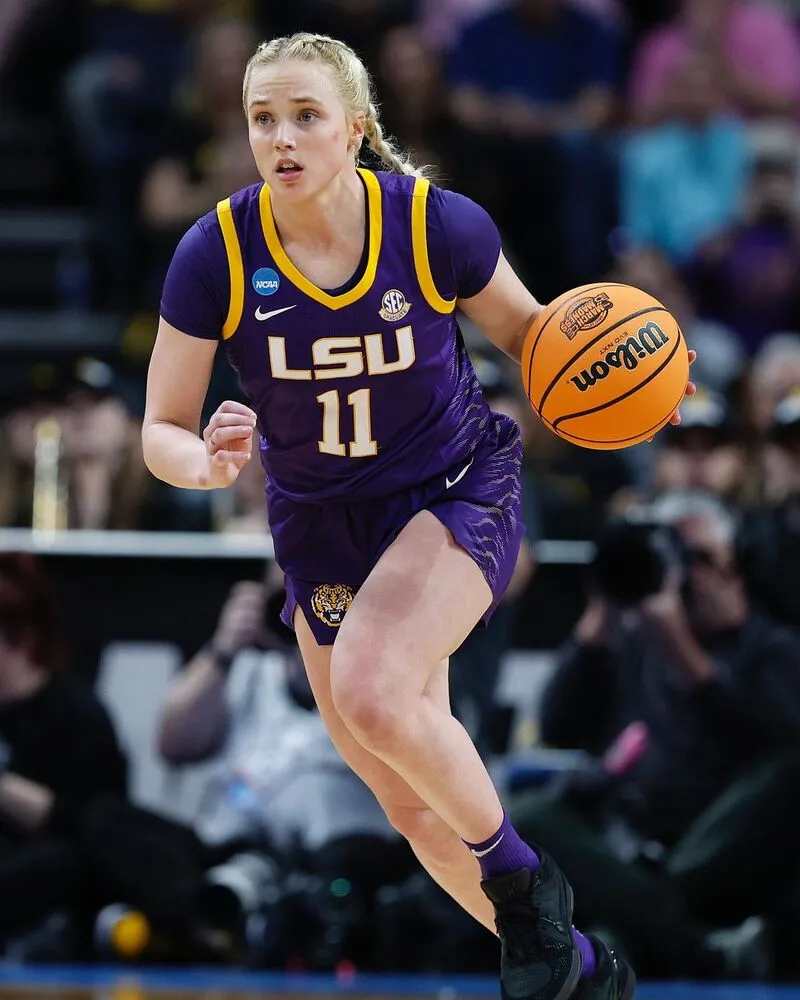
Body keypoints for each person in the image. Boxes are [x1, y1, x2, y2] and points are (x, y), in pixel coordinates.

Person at [142, 31, 694, 1000]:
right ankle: (574, 968)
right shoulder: (215, 252)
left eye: (305, 114)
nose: (281, 135)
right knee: (402, 792)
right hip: (319, 522)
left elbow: (538, 339)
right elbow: (161, 426)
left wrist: (637, 390)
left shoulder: (437, 224)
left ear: (354, 127)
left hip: (451, 488)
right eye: (262, 116)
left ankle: (528, 886)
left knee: (368, 684)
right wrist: (204, 459)